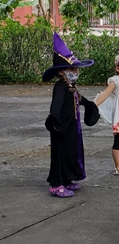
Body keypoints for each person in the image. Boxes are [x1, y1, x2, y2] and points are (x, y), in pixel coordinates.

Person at [43, 33, 100, 198]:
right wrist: (55, 123)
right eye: (72, 69)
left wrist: (90, 105)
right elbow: (55, 107)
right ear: (61, 72)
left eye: (76, 69)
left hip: (71, 128)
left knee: (71, 152)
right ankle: (56, 184)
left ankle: (67, 179)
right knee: (60, 154)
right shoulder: (60, 87)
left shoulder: (71, 87)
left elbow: (80, 100)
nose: (75, 71)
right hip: (61, 128)